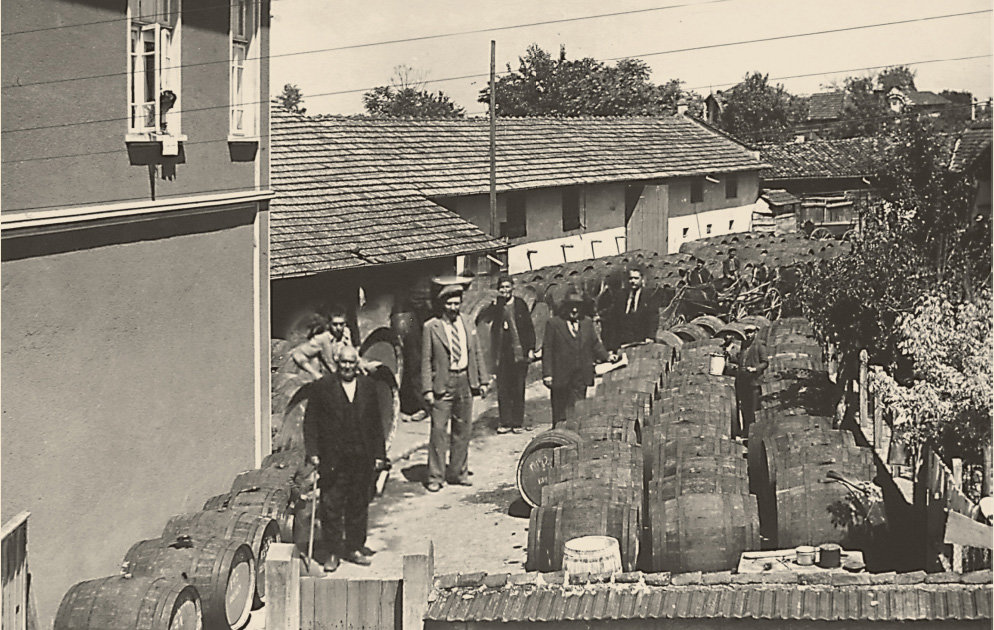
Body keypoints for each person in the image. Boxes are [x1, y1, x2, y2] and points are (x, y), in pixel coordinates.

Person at [303, 346, 388, 572]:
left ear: (356, 363)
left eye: (351, 362)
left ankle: (354, 548)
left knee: (358, 504)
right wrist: (313, 452)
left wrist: (380, 455)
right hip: (333, 460)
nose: (347, 367)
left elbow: (376, 423)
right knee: (331, 506)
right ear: (337, 362)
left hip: (361, 458)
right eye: (343, 362)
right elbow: (310, 422)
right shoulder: (323, 386)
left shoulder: (368, 386)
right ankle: (332, 552)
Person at [421, 284, 489, 492]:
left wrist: (483, 380)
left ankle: (458, 472)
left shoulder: (467, 322)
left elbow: (476, 352)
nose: (453, 307)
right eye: (450, 304)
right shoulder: (431, 327)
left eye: (457, 303)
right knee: (438, 431)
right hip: (443, 383)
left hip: (465, 380)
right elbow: (426, 360)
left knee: (463, 429)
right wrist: (427, 389)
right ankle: (435, 476)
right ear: (443, 304)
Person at [542, 291, 617, 426]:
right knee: (560, 411)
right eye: (571, 306)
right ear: (565, 307)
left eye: (577, 307)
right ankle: (558, 434)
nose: (574, 310)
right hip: (561, 375)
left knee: (578, 408)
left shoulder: (586, 323)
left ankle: (576, 433)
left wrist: (607, 357)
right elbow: (547, 350)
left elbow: (595, 344)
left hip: (581, 374)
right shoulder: (554, 324)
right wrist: (547, 374)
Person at [488, 276, 536, 435]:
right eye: (502, 287)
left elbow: (529, 327)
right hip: (503, 352)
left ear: (512, 288)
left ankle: (517, 422)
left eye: (507, 287)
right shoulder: (497, 305)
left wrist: (531, 348)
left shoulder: (520, 304)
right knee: (503, 388)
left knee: (518, 387)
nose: (505, 290)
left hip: (519, 350)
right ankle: (505, 421)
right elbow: (492, 328)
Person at [291, 309, 358, 380]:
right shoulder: (322, 338)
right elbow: (297, 353)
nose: (338, 328)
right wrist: (314, 373)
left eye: (341, 324)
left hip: (348, 374)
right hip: (332, 378)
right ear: (329, 324)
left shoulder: (346, 332)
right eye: (335, 324)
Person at [730, 324, 769, 441]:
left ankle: (753, 435)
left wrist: (755, 369)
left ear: (755, 332)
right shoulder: (744, 345)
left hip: (754, 381)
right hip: (743, 381)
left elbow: (765, 362)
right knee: (745, 408)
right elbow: (741, 359)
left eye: (750, 332)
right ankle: (746, 432)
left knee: (753, 408)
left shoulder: (760, 345)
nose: (748, 334)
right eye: (747, 332)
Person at [615, 266, 659, 347]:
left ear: (642, 279)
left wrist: (650, 337)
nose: (633, 281)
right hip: (625, 341)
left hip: (643, 340)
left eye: (636, 278)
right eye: (631, 278)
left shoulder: (649, 296)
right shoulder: (622, 296)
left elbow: (653, 317)